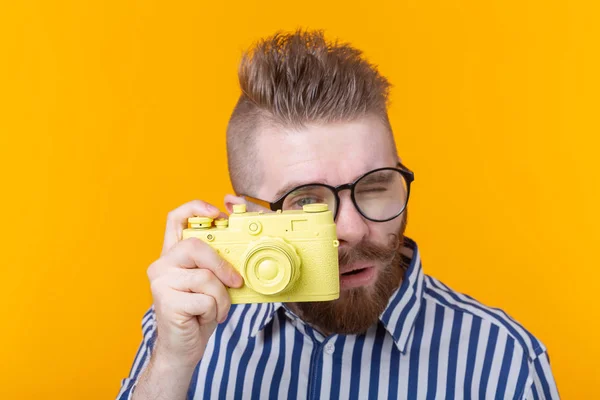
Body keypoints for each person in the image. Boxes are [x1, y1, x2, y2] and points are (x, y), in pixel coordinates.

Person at [116, 30, 559, 399]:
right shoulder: (187, 329)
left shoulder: (504, 361)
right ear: (245, 216)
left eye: (375, 185)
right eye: (307, 203)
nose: (352, 227)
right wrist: (172, 365)